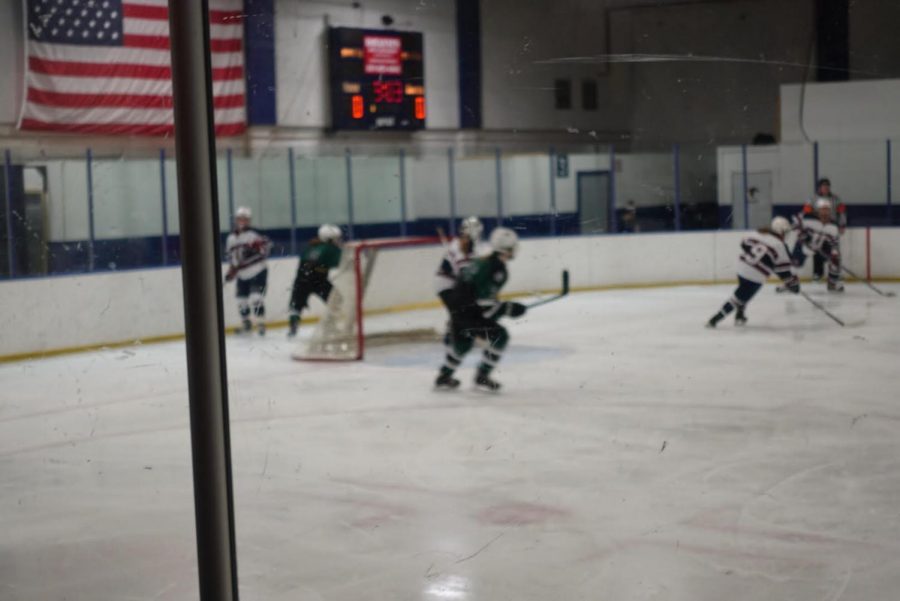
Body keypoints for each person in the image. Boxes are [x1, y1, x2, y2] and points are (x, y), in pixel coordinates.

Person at [435, 227, 527, 392]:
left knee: (463, 345)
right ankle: (482, 376)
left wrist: (501, 308)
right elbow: (485, 306)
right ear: (506, 249)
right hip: (468, 314)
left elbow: (481, 300)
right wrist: (507, 309)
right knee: (500, 336)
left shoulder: (481, 261)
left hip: (458, 312)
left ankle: (444, 376)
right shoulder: (497, 269)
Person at [707, 216, 799, 328]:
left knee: (743, 291)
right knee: (740, 297)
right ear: (781, 230)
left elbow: (744, 243)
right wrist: (792, 284)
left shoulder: (759, 233)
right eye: (785, 231)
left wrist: (763, 258)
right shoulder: (780, 245)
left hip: (742, 268)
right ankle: (716, 318)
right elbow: (783, 271)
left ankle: (740, 315)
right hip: (755, 276)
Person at [288, 224, 343, 337]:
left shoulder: (311, 246)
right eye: (336, 238)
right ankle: (330, 324)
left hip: (301, 279)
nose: (338, 241)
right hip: (319, 280)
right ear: (329, 238)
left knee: (296, 305)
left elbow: (304, 262)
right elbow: (341, 261)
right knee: (335, 300)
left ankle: (293, 325)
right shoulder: (330, 248)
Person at [225, 207, 272, 335]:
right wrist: (231, 271)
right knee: (241, 300)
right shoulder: (231, 238)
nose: (242, 221)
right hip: (242, 274)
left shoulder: (255, 234)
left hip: (258, 270)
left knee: (256, 298)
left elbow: (267, 248)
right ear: (236, 220)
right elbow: (231, 257)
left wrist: (254, 250)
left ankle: (261, 323)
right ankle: (246, 324)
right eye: (240, 218)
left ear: (249, 220)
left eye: (245, 219)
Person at [792, 199, 844, 292]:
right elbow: (795, 222)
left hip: (820, 247)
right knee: (794, 264)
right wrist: (803, 235)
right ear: (818, 210)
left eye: (827, 209)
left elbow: (834, 243)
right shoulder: (808, 218)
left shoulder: (833, 226)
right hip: (804, 245)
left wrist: (834, 254)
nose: (825, 211)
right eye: (822, 209)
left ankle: (832, 284)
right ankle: (788, 283)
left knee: (836, 260)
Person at [434, 216, 485, 310]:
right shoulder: (459, 247)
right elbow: (465, 274)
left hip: (452, 285)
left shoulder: (464, 245)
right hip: (447, 287)